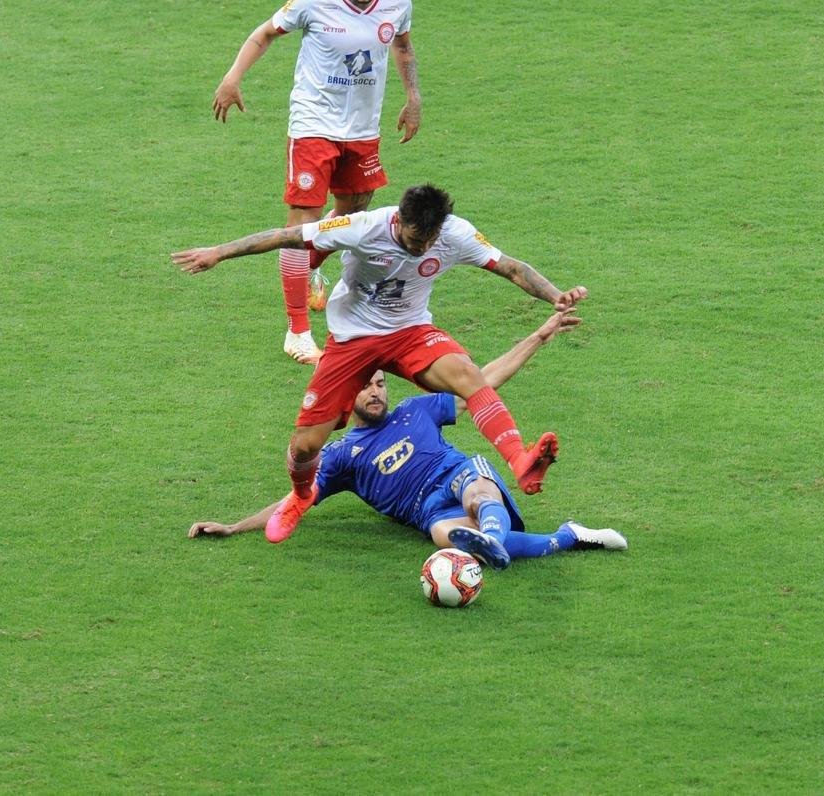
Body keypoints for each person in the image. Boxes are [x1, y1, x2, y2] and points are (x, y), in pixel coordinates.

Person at [172, 183, 588, 544]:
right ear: (399, 220)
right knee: (305, 446)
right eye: (414, 239)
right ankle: (300, 497)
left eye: (430, 240)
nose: (423, 248)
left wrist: (554, 296)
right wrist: (219, 252)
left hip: (410, 332)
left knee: (467, 375)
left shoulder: (455, 234)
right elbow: (288, 235)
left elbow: (512, 268)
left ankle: (520, 459)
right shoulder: (365, 226)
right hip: (353, 340)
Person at [187, 311, 627, 569]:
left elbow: (485, 381)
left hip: (456, 475)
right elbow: (294, 502)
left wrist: (537, 336)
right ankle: (566, 537)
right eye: (366, 385)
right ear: (346, 392)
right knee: (447, 536)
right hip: (427, 511)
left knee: (476, 491)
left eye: (380, 383)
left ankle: (492, 534)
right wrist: (233, 527)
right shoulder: (342, 456)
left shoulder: (418, 410)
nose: (376, 390)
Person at [212, 0, 422, 365]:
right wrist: (233, 77)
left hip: (362, 128)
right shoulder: (312, 3)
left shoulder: (397, 3)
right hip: (313, 125)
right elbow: (264, 34)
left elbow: (402, 45)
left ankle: (307, 267)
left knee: (354, 207)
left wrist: (413, 96)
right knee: (302, 224)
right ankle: (297, 332)